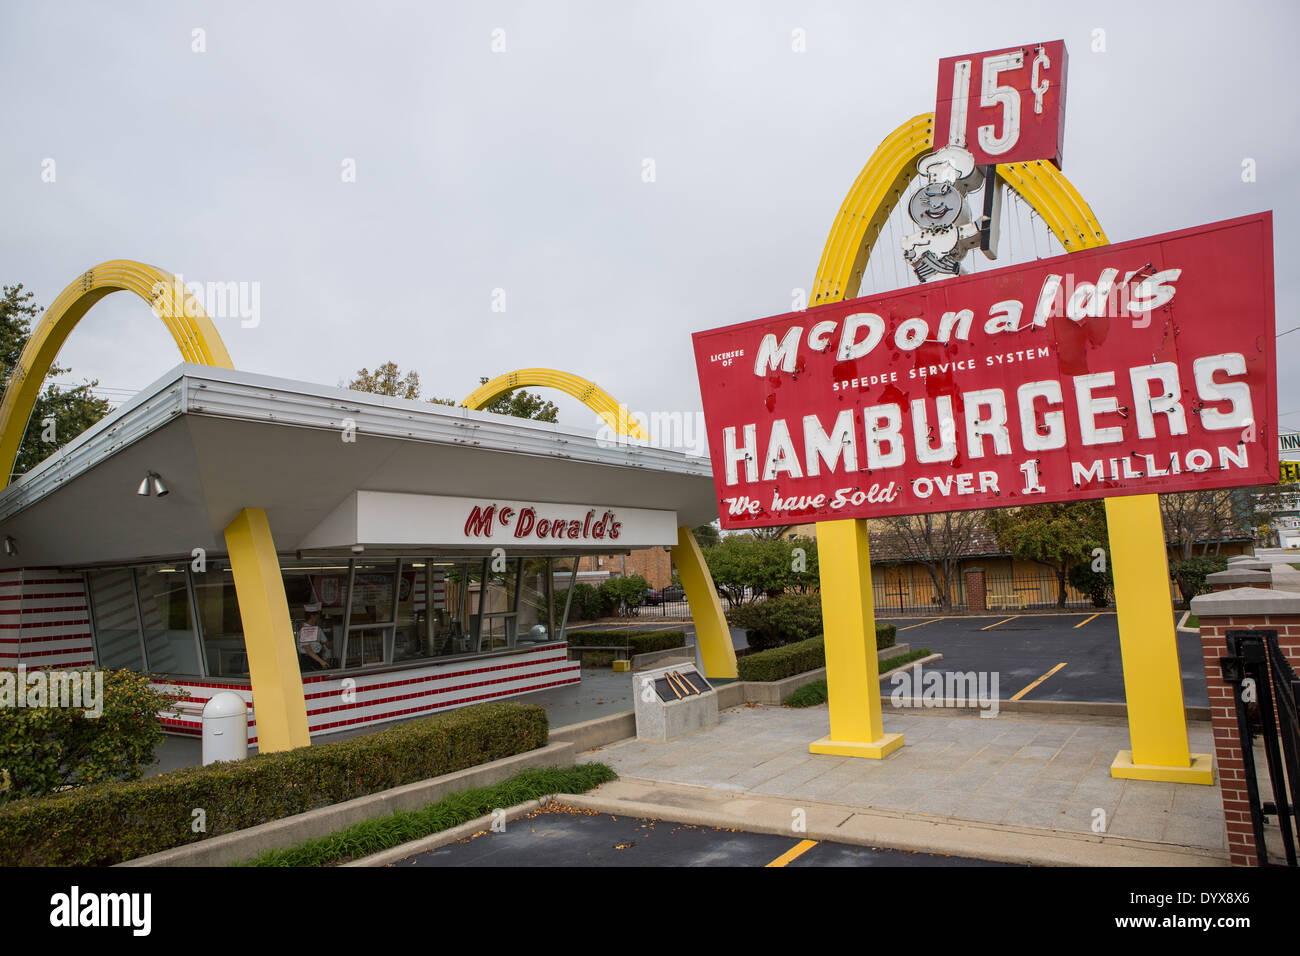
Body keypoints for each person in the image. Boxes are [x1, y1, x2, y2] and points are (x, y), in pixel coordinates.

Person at [297, 603, 331, 671]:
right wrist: (321, 661)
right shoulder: (305, 630)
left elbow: (328, 645)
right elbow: (308, 651)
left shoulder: (318, 629)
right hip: (308, 661)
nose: (319, 617)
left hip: (318, 658)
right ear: (312, 616)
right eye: (317, 615)